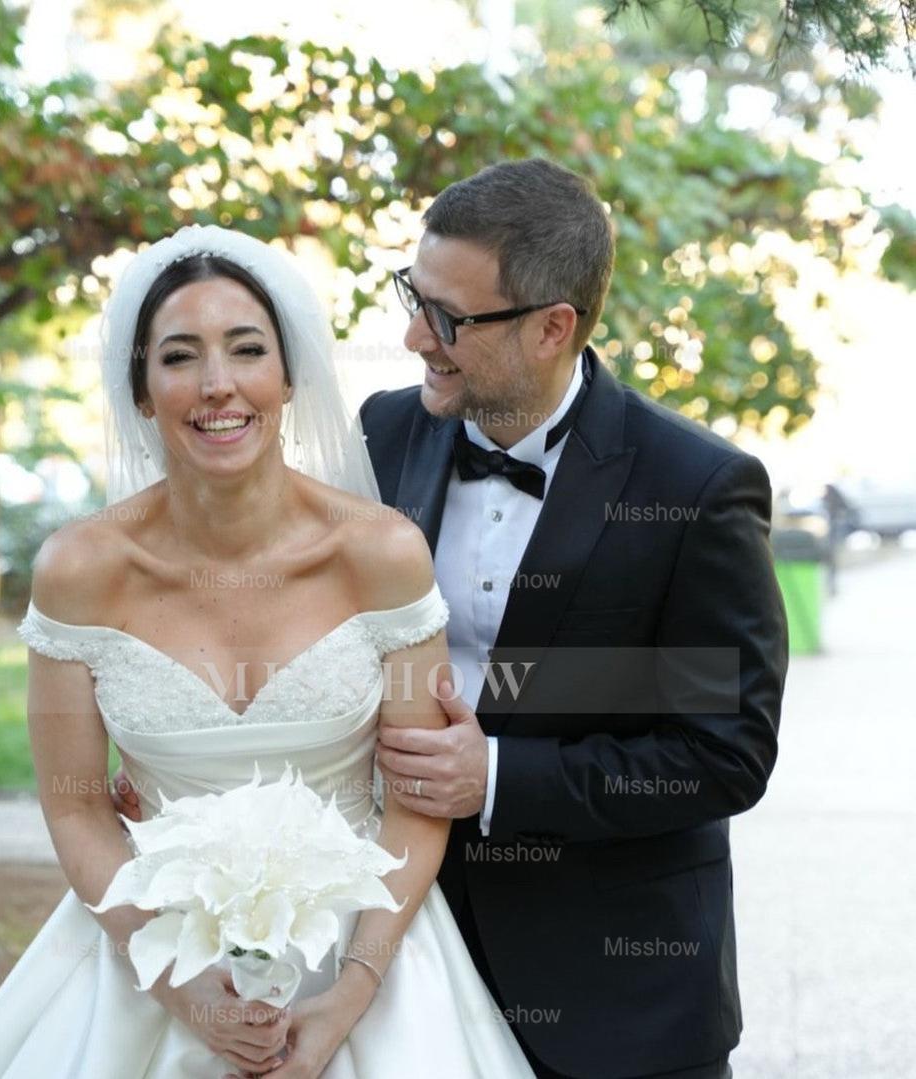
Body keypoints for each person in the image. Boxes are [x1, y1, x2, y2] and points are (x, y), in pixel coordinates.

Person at [120, 159, 787, 1077]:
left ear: (553, 327)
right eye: (413, 295)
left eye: (449, 318)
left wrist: (501, 774)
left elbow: (726, 752)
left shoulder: (696, 489)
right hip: (394, 970)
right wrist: (179, 768)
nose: (411, 335)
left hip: (613, 996)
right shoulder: (378, 437)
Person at [0, 225, 534, 1078]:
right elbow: (76, 809)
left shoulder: (381, 553)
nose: (217, 386)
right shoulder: (79, 569)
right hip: (146, 954)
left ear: (288, 376)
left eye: (246, 349)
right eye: (179, 357)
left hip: (365, 961)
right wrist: (190, 993)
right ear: (142, 390)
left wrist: (350, 996)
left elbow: (415, 799)